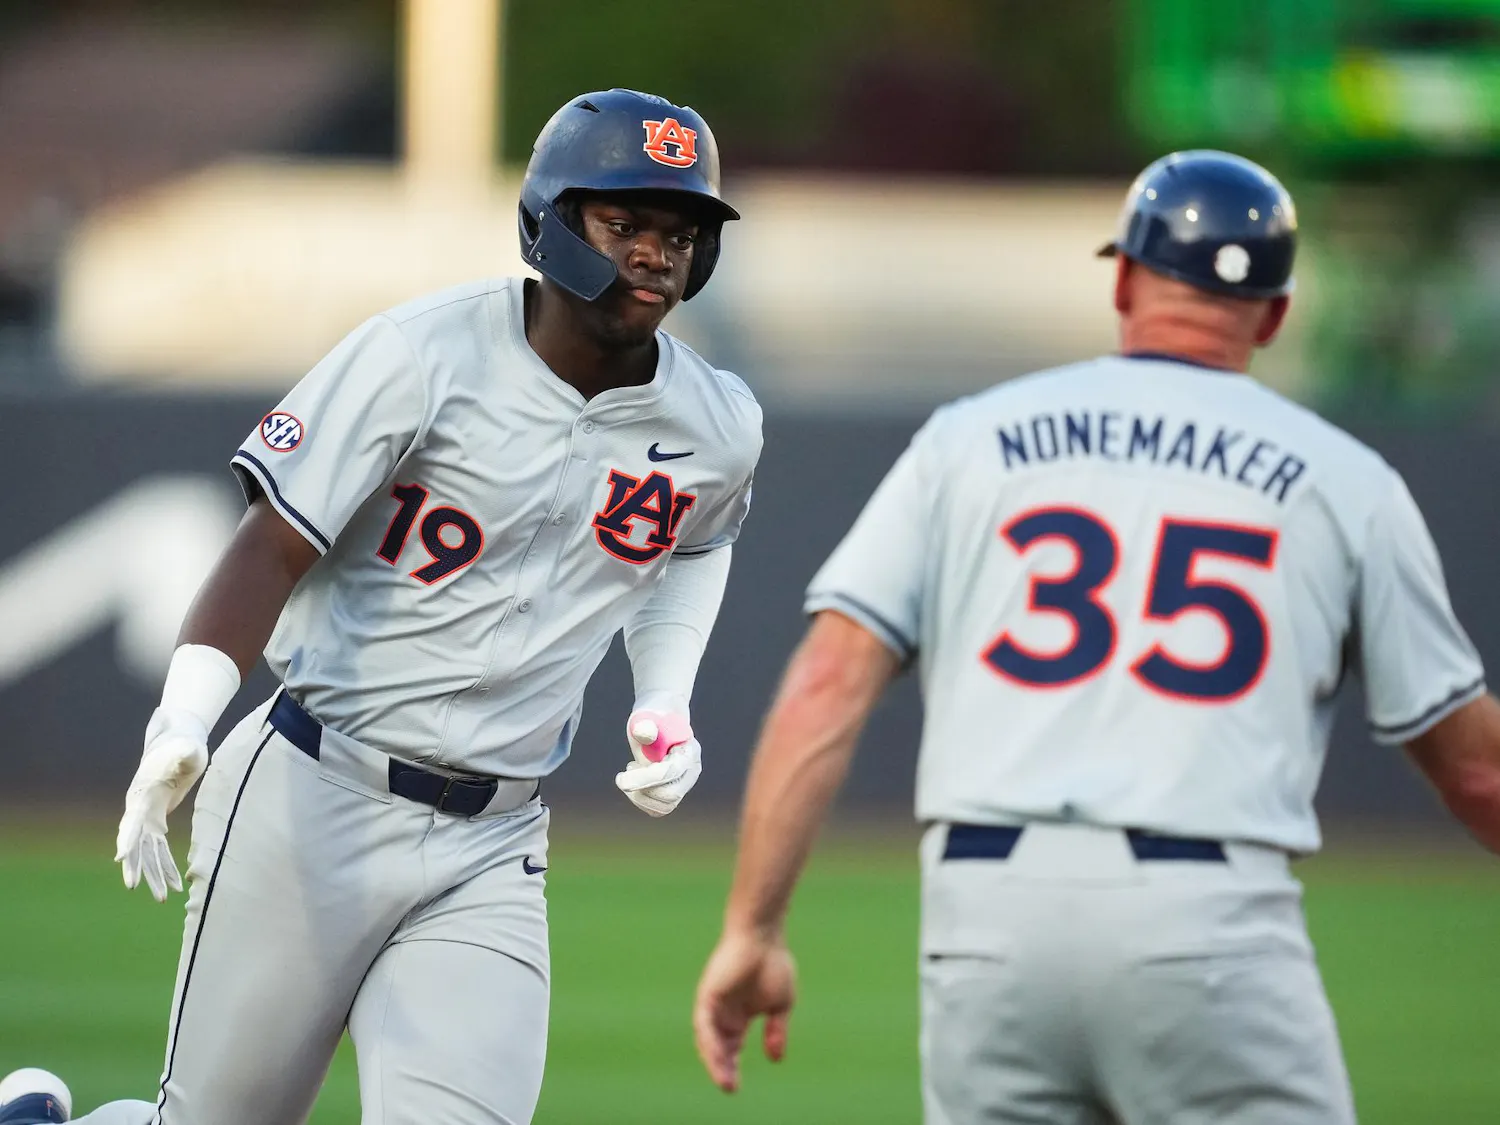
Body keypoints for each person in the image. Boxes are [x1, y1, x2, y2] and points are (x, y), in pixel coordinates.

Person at [691, 149, 1500, 1124]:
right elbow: (1476, 772)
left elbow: (827, 684)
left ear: (1123, 281)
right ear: (1276, 314)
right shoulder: (1347, 479)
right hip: (1205, 921)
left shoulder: (970, 438)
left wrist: (754, 926)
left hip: (986, 923)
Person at [2, 87, 761, 1125]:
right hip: (316, 788)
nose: (653, 253)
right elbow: (271, 543)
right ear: (549, 220)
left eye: (678, 232)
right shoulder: (420, 353)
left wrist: (664, 695)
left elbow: (697, 543)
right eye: (622, 220)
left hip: (493, 838)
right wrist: (183, 716)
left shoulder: (715, 423)